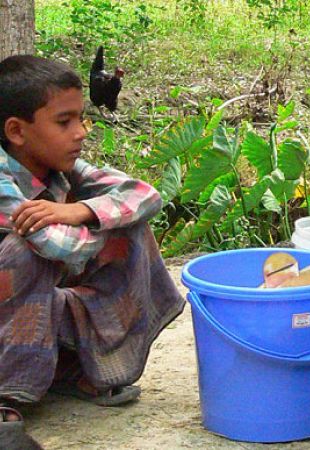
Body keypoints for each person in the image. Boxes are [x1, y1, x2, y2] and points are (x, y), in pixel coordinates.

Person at [0, 55, 185, 447]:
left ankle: (69, 368)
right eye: (64, 122)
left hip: (28, 306)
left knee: (129, 225)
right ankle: (7, 392)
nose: (80, 132)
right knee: (24, 250)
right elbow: (57, 248)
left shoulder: (60, 168)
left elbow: (146, 194)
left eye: (81, 119)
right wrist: (105, 224)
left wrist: (81, 210)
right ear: (16, 131)